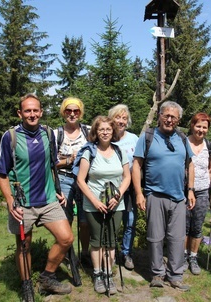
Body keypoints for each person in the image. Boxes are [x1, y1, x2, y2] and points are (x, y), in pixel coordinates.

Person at [0, 94, 73, 299]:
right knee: (24, 247)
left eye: (35, 110)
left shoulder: (48, 133)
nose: (32, 114)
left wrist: (57, 189)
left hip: (48, 200)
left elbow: (52, 164)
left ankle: (47, 278)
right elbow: (2, 173)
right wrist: (11, 201)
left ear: (41, 111)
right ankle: (26, 285)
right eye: (27, 111)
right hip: (22, 204)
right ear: (20, 113)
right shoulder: (10, 137)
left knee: (66, 238)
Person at [132, 101, 196, 291]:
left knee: (177, 238)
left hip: (178, 198)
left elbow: (190, 164)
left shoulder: (183, 138)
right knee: (155, 237)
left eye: (173, 117)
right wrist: (139, 193)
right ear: (159, 115)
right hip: (155, 195)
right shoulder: (148, 137)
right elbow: (137, 165)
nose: (169, 119)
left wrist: (190, 190)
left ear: (178, 120)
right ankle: (157, 274)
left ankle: (175, 276)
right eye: (166, 115)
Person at [75, 116, 131, 295]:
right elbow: (80, 180)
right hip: (93, 204)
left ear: (113, 131)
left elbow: (127, 177)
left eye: (108, 129)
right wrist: (95, 202)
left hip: (116, 203)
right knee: (97, 241)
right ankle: (98, 274)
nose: (105, 132)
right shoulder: (88, 152)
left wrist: (118, 195)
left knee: (111, 241)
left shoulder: (120, 151)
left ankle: (108, 275)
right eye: (101, 129)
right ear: (95, 132)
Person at [53, 97, 91, 264]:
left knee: (84, 220)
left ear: (80, 113)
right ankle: (67, 254)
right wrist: (70, 160)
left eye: (76, 111)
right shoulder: (56, 134)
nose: (72, 114)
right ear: (63, 112)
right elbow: (52, 161)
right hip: (64, 179)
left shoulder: (88, 131)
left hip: (85, 180)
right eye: (69, 111)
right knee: (66, 220)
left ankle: (85, 253)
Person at [184, 112, 211, 275]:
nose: (201, 130)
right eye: (198, 126)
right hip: (183, 191)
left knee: (197, 226)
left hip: (203, 191)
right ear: (192, 126)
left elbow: (210, 168)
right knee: (183, 227)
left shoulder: (210, 146)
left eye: (204, 127)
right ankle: (183, 256)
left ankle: (193, 257)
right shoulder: (183, 143)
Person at [108, 104, 139, 270]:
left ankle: (126, 253)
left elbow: (140, 163)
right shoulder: (106, 136)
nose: (121, 121)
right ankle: (110, 252)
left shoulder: (134, 139)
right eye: (118, 117)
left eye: (124, 118)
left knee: (130, 221)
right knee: (112, 222)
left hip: (130, 188)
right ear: (111, 119)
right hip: (111, 187)